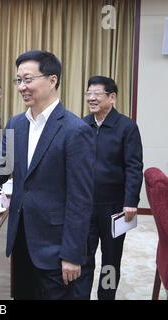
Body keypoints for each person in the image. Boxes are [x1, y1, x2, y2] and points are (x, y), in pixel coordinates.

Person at [0, 50, 95, 299]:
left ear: (52, 80)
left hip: (56, 249)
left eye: (28, 79)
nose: (22, 87)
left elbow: (80, 199)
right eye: (18, 80)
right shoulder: (16, 124)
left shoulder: (75, 130)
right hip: (21, 242)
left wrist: (72, 254)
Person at [83, 76, 143, 300]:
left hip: (115, 207)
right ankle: (81, 295)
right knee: (83, 257)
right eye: (89, 93)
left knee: (110, 259)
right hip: (86, 205)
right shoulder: (83, 125)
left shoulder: (127, 127)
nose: (91, 98)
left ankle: (106, 297)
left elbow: (134, 167)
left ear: (112, 97)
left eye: (97, 93)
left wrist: (130, 201)